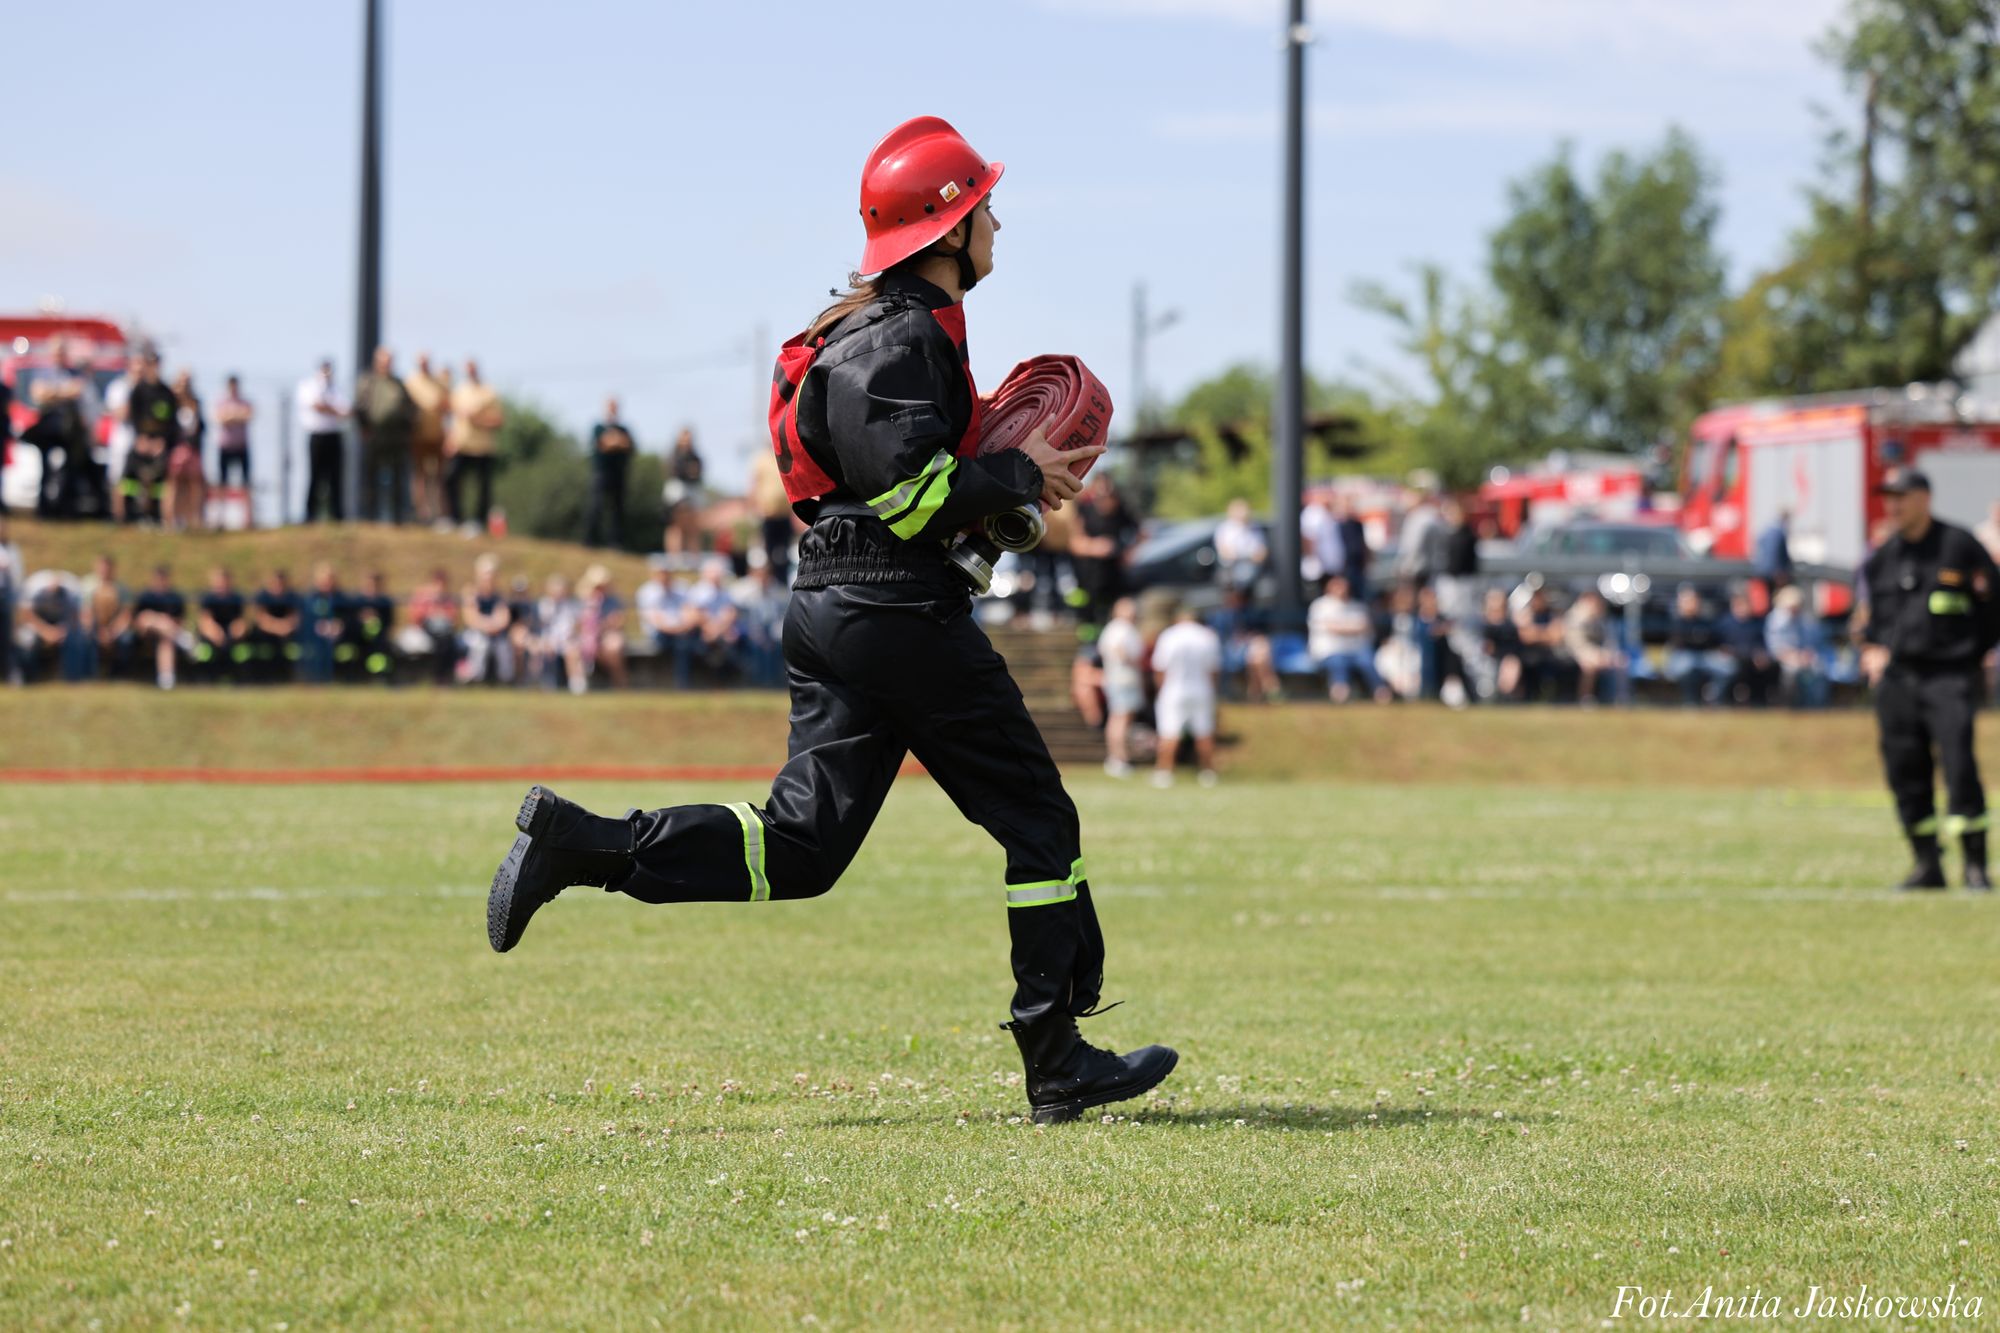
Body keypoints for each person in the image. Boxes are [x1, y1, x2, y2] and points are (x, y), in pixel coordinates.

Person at [483, 115, 1171, 1125]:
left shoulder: (870, 331)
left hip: (842, 605)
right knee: (1038, 822)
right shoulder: (897, 336)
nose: (997, 229)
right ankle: (1055, 1056)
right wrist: (1018, 474)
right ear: (948, 229)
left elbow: (896, 484)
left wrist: (1004, 492)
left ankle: (583, 845)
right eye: (986, 211)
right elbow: (909, 494)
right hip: (893, 611)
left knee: (797, 851)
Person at [1858, 468, 2000, 891]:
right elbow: (1870, 621)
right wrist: (1870, 650)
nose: (1894, 505)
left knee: (1959, 766)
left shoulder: (1960, 547)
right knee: (1905, 770)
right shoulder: (1883, 558)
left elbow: (1993, 608)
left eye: (1902, 496)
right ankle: (1925, 864)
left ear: (1924, 498)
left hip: (1948, 675)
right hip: (1898, 679)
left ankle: (1975, 865)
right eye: (1889, 497)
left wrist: (1973, 657)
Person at [1150, 603, 1221, 787]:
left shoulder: (1169, 635)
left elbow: (1160, 668)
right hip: (1201, 689)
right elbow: (1213, 670)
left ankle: (1165, 772)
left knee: (1169, 733)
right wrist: (1212, 691)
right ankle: (1208, 772)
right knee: (1204, 733)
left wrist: (1160, 689)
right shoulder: (1207, 636)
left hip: (1173, 690)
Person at [356, 346, 415, 524]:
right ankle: (369, 516)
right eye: (383, 361)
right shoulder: (367, 381)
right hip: (375, 437)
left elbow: (409, 409)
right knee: (370, 478)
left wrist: (406, 429)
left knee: (398, 478)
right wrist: (365, 428)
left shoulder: (399, 384)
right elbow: (359, 408)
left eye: (389, 361)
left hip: (395, 438)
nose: (386, 364)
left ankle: (398, 517)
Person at [1307, 574, 1388, 704]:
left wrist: (1345, 628)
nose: (1341, 588)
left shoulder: (1358, 606)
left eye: (1343, 585)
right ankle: (1340, 695)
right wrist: (1353, 628)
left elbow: (1366, 628)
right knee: (1338, 662)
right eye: (1337, 585)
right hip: (1329, 652)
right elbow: (1333, 627)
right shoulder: (1320, 606)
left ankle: (1382, 693)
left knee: (1368, 661)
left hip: (1356, 651)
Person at [1069, 476, 1137, 628]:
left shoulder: (1121, 512)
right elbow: (1075, 543)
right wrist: (1096, 547)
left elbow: (1140, 533)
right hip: (1088, 575)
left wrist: (1129, 552)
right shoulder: (1084, 511)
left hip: (1114, 573)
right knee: (1088, 616)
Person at [446, 359, 503, 532]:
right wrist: (450, 440)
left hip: (482, 448)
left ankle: (478, 522)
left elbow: (498, 420)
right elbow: (454, 419)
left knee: (483, 487)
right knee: (450, 480)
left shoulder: (489, 392)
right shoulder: (459, 391)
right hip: (462, 445)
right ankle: (455, 518)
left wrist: (477, 420)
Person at [1096, 596, 1145, 777]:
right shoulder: (1119, 628)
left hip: (1123, 678)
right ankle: (1118, 758)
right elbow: (1118, 650)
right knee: (1120, 719)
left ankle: (1120, 757)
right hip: (1123, 679)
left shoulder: (1120, 628)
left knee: (1123, 719)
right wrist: (1130, 661)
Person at [297, 360, 349, 522]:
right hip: (317, 437)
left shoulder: (337, 388)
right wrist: (334, 410)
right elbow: (316, 405)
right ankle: (310, 515)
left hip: (334, 436)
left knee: (336, 477)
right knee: (315, 477)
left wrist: (331, 409)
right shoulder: (309, 386)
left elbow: (346, 410)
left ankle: (337, 515)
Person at [404, 354, 450, 525]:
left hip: (438, 436)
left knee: (439, 476)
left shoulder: (440, 381)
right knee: (419, 476)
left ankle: (439, 513)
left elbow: (449, 405)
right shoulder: (411, 382)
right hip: (417, 436)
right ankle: (421, 512)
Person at [1663, 585, 1727, 706]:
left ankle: (1714, 699)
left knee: (1727, 667)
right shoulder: (1675, 622)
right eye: (1687, 601)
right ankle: (1691, 702)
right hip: (1682, 658)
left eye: (1694, 600)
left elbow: (1713, 640)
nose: (1692, 604)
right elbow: (1679, 643)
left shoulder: (1705, 621)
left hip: (1704, 656)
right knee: (1688, 665)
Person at [1561, 589, 1627, 706]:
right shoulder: (1575, 617)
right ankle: (1585, 698)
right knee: (1589, 664)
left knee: (1621, 661)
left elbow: (1609, 641)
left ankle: (1620, 699)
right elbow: (1576, 645)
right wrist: (1595, 654)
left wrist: (1607, 654)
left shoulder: (1601, 617)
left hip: (1597, 653)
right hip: (1573, 654)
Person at [1766, 583, 1827, 709]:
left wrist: (1806, 655)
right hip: (1785, 658)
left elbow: (1813, 642)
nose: (1794, 609)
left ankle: (1816, 706)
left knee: (1820, 669)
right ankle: (1789, 705)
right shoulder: (1775, 621)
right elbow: (1775, 648)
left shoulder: (1806, 619)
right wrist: (1792, 656)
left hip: (1804, 657)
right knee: (1791, 671)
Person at [585, 397, 634, 549]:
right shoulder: (598, 427)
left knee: (617, 510)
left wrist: (614, 442)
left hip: (618, 474)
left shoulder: (624, 429)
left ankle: (616, 543)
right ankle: (590, 542)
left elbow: (628, 445)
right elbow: (601, 445)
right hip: (601, 473)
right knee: (595, 507)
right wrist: (615, 442)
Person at [458, 554, 514, 685]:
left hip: (495, 633)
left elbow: (504, 619)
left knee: (504, 646)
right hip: (472, 634)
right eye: (486, 574)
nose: (488, 578)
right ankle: (475, 680)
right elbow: (471, 618)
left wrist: (491, 625)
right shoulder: (470, 592)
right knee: (480, 644)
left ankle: (505, 680)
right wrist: (489, 625)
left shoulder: (499, 596)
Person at [131, 565, 188, 689]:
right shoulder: (145, 597)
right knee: (148, 617)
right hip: (147, 634)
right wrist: (159, 618)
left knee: (166, 641)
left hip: (167, 635)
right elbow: (138, 621)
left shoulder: (175, 598)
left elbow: (180, 621)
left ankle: (166, 679)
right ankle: (183, 640)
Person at [1717, 590, 1778, 706]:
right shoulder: (1725, 623)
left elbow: (1763, 642)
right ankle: (1727, 701)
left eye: (1745, 604)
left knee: (1770, 667)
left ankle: (1760, 700)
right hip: (1735, 658)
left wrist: (1762, 654)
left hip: (1756, 658)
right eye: (1739, 604)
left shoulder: (1757, 623)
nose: (1743, 608)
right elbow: (1720, 645)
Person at [166, 369, 206, 531]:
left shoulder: (196, 403)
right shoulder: (170, 402)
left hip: (192, 449)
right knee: (174, 484)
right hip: (176, 448)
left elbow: (200, 427)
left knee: (194, 484)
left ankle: (193, 520)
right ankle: (171, 520)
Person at [81, 555, 133, 679]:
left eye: (107, 568)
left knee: (126, 640)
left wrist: (112, 632)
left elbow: (126, 615)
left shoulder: (122, 589)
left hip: (114, 628)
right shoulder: (87, 586)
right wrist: (98, 631)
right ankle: (91, 673)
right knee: (86, 637)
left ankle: (119, 674)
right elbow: (85, 613)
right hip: (94, 626)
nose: (104, 571)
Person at [193, 567, 250, 681]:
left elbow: (240, 621)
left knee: (236, 644)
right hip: (212, 634)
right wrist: (216, 633)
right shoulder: (208, 598)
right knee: (213, 643)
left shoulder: (236, 598)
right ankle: (209, 677)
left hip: (230, 634)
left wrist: (235, 632)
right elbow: (205, 621)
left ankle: (233, 677)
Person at [748, 446, 795, 581]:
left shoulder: (785, 458)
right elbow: (754, 484)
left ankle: (781, 580)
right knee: (767, 552)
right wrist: (754, 508)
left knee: (784, 552)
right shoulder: (761, 460)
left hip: (784, 515)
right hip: (767, 515)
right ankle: (768, 580)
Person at [248, 569, 302, 683]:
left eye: (281, 584)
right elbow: (261, 619)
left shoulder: (292, 597)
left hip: (287, 634)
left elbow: (296, 618)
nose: (278, 587)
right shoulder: (262, 597)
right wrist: (279, 628)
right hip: (267, 635)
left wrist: (285, 627)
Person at [342, 571, 396, 682]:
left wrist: (376, 620)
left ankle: (381, 679)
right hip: (358, 638)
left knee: (382, 653)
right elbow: (349, 623)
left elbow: (389, 624)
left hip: (379, 640)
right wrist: (361, 620)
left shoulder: (385, 602)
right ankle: (352, 679)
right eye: (369, 585)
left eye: (375, 585)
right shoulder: (356, 602)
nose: (372, 588)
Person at [213, 375, 254, 516]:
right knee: (222, 482)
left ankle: (248, 517)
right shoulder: (221, 401)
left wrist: (231, 416)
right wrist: (236, 416)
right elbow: (220, 418)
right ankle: (220, 516)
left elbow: (248, 416)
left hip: (241, 446)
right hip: (225, 447)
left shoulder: (245, 401)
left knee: (246, 482)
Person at [299, 563, 348, 684]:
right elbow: (305, 619)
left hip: (338, 637)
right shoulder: (310, 598)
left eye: (331, 579)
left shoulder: (341, 598)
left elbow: (348, 617)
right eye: (326, 579)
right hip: (313, 638)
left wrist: (340, 625)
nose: (329, 583)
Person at [662, 427, 706, 555]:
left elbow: (697, 472)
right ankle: (674, 556)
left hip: (692, 492)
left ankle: (693, 557)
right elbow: (676, 471)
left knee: (693, 527)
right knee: (675, 527)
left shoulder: (695, 456)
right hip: (677, 493)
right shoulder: (673, 455)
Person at [117, 422, 170, 525]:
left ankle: (159, 518)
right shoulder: (133, 455)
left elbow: (161, 471)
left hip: (152, 487)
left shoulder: (158, 455)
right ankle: (121, 518)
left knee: (163, 489)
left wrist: (157, 455)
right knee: (120, 488)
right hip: (135, 486)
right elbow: (128, 472)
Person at [1212, 497, 1266, 592]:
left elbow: (1261, 552)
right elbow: (1225, 552)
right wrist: (1246, 556)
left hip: (1252, 573)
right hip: (1230, 574)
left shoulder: (1255, 527)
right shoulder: (1225, 528)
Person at [1755, 509, 1794, 587]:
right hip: (1775, 571)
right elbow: (1781, 554)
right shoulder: (1780, 532)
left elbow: (1759, 543)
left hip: (1762, 569)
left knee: (1768, 593)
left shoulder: (1768, 529)